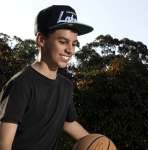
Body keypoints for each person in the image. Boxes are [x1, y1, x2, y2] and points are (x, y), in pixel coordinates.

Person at [0, 5, 94, 150]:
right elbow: (4, 145)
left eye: (74, 44)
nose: (70, 50)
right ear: (41, 40)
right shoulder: (22, 83)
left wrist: (98, 142)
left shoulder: (66, 87)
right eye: (62, 42)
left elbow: (67, 122)